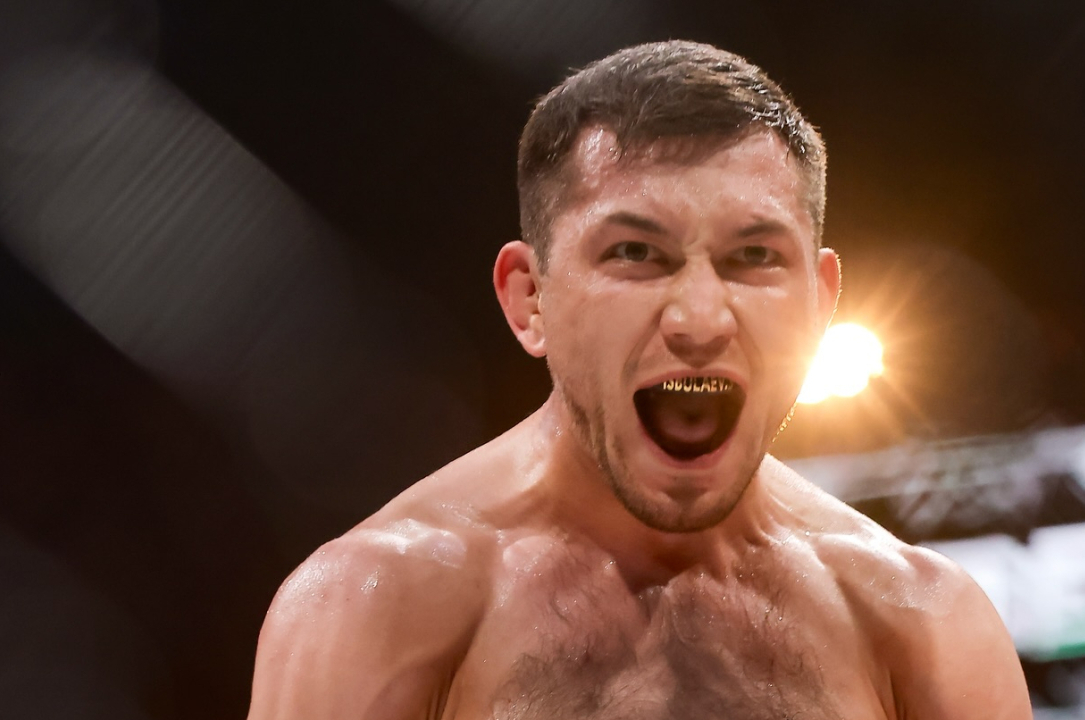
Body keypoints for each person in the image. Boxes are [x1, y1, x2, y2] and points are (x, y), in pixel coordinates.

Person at [246, 40, 1032, 720]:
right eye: (635, 253)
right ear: (530, 299)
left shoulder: (925, 623)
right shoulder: (375, 603)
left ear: (820, 305)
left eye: (754, 256)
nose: (700, 320)